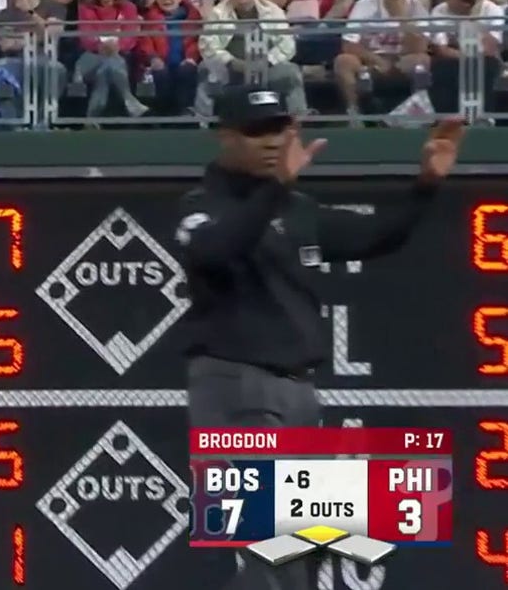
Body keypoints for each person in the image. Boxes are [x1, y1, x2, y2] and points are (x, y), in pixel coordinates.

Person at [175, 88, 463, 590]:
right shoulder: (202, 204)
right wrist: (275, 191)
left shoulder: (299, 207)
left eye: (278, 130)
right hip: (237, 385)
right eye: (256, 131)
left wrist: (427, 184)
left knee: (302, 549)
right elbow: (215, 250)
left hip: (299, 393)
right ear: (225, 136)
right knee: (265, 545)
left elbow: (378, 237)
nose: (270, 142)